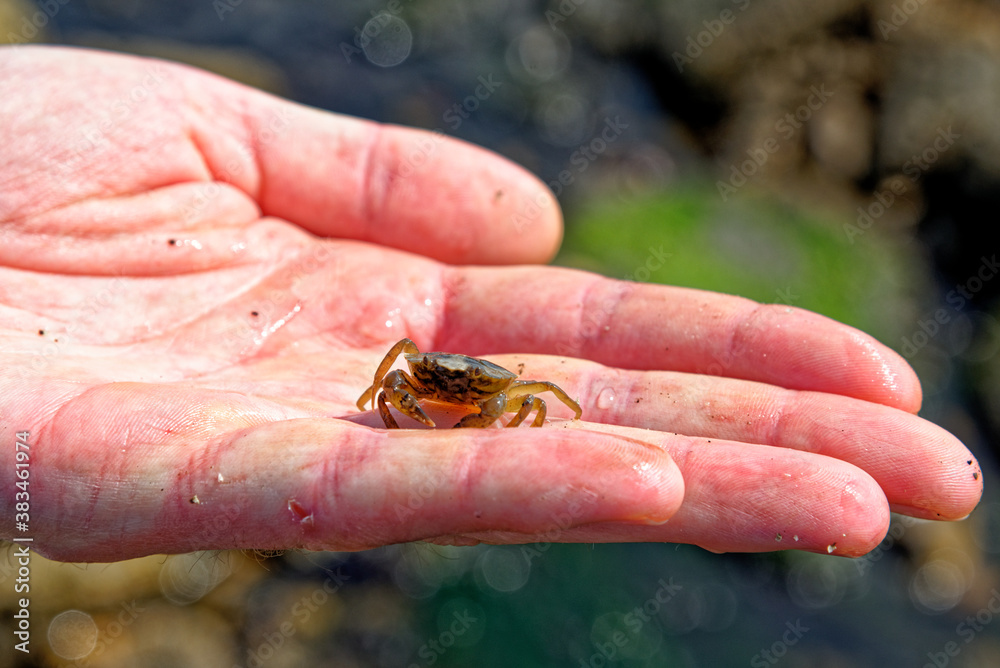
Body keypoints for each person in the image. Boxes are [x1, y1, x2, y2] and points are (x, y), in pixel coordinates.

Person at [0, 45, 981, 563]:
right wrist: (390, 401)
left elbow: (540, 399)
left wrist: (505, 407)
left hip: (486, 384)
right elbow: (392, 378)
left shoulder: (506, 391)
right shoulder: (412, 376)